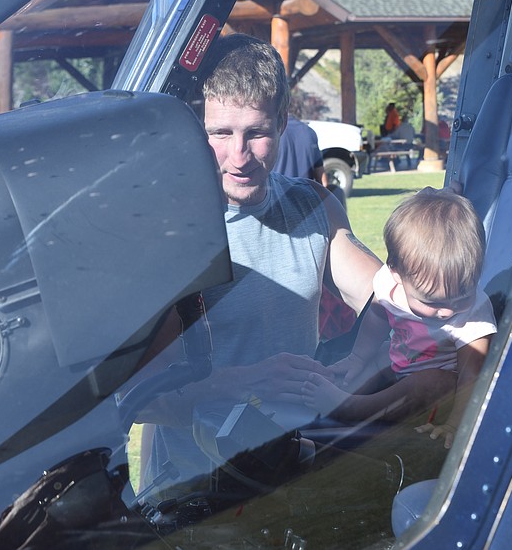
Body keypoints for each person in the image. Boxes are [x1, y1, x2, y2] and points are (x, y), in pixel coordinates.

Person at [132, 33, 381, 493]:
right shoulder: (166, 232)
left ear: (283, 123)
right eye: (220, 134)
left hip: (291, 472)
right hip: (192, 495)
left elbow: (389, 301)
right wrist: (240, 383)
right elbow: (135, 397)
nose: (239, 156)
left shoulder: (314, 207)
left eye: (256, 133)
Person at [301, 187, 495, 448]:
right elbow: (378, 316)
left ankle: (351, 408)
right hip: (399, 364)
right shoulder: (388, 285)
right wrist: (358, 357)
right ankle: (341, 403)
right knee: (378, 355)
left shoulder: (473, 314)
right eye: (432, 302)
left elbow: (472, 375)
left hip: (440, 393)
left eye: (463, 295)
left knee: (431, 382)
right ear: (396, 275)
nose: (448, 311)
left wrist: (455, 425)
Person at [274, 115, 326, 185]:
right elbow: (322, 180)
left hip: (277, 192)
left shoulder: (273, 132)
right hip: (305, 193)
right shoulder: (310, 133)